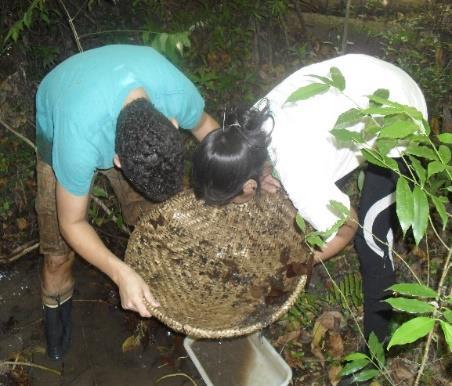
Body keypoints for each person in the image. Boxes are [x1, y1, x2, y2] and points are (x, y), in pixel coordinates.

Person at [191, 54, 428, 344]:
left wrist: (304, 263)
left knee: (372, 240)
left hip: (402, 120)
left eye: (229, 200)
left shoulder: (299, 173)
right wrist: (266, 172)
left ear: (249, 186)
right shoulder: (248, 125)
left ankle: (376, 353)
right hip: (370, 80)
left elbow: (348, 226)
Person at [35, 44, 218, 359]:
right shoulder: (77, 143)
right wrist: (121, 274)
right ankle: (56, 338)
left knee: (161, 226)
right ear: (117, 161)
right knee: (57, 258)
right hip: (64, 111)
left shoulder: (177, 96)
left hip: (114, 101)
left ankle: (164, 302)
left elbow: (209, 132)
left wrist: (242, 176)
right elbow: (72, 222)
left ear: (174, 126)